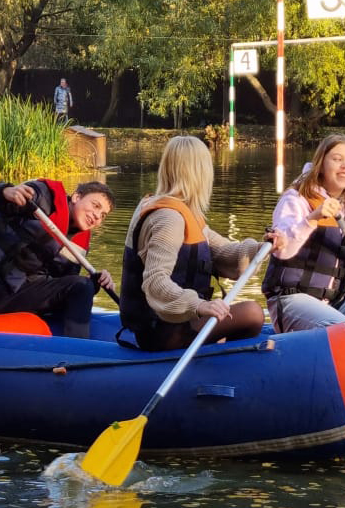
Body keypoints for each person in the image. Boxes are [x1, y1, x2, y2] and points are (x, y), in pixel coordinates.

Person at [120, 135, 280, 351]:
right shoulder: (169, 219)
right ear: (200, 173)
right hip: (162, 330)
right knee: (252, 313)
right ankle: (223, 362)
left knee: (244, 312)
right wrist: (199, 305)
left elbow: (222, 251)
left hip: (170, 323)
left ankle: (216, 352)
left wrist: (261, 249)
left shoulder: (180, 212)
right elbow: (155, 282)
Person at [262, 133, 345, 332]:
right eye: (337, 159)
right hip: (292, 300)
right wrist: (312, 218)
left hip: (333, 304)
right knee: (338, 327)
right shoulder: (296, 199)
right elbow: (283, 251)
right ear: (321, 164)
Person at [0, 178, 115, 338]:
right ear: (77, 197)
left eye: (103, 215)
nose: (97, 216)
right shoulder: (42, 195)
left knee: (82, 286)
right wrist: (4, 191)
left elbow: (62, 283)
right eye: (95, 206)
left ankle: (76, 350)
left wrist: (93, 283)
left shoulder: (79, 245)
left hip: (19, 293)